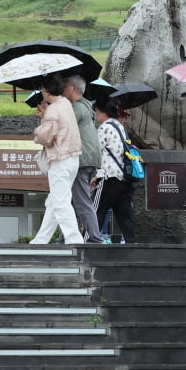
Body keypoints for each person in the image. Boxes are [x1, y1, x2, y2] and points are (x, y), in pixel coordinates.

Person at [31, 75, 85, 244]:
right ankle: (41, 240)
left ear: (47, 90)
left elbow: (45, 136)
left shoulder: (54, 108)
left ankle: (74, 240)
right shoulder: (66, 104)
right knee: (54, 201)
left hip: (60, 160)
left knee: (60, 203)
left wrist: (39, 129)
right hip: (72, 159)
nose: (41, 92)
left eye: (42, 89)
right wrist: (45, 116)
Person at [91, 98, 139, 244]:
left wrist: (97, 176)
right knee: (125, 217)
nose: (95, 115)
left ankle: (86, 244)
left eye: (96, 112)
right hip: (124, 177)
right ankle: (133, 248)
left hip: (109, 178)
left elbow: (96, 153)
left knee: (95, 212)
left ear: (102, 112)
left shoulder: (104, 127)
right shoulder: (120, 126)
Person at [64, 75, 105, 243]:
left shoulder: (78, 108)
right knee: (73, 201)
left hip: (81, 160)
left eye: (65, 86)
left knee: (81, 200)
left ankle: (95, 238)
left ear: (74, 88)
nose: (62, 89)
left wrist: (47, 113)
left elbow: (62, 125)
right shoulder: (87, 106)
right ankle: (65, 236)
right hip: (88, 159)